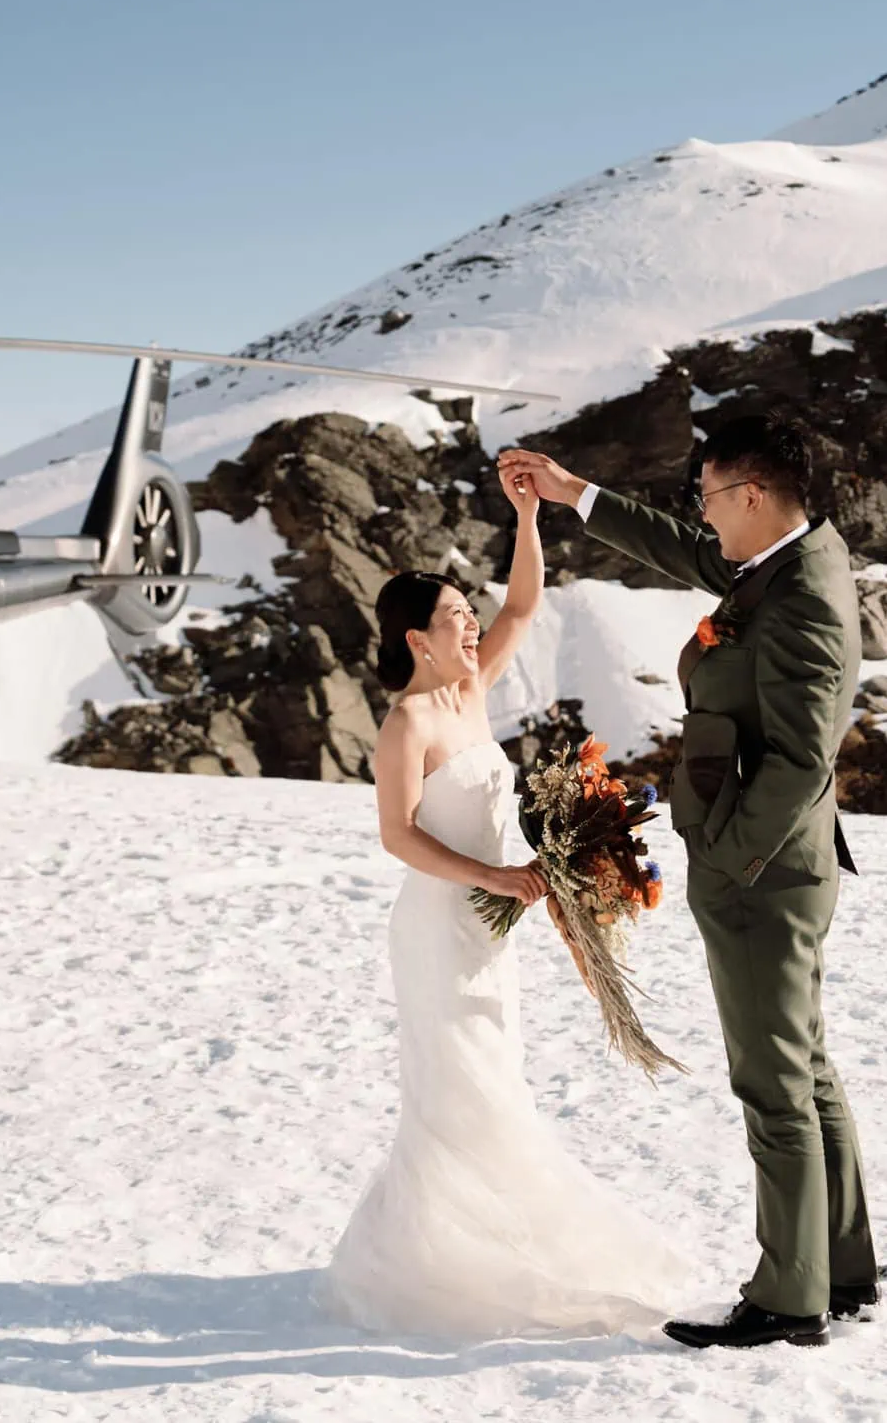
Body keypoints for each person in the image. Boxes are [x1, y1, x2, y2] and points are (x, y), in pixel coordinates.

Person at [499, 416, 879, 1351]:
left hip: (764, 871)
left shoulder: (803, 602)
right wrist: (572, 491)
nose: (699, 515)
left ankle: (791, 1298)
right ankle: (840, 1264)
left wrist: (725, 858)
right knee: (804, 1062)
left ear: (752, 494)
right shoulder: (784, 560)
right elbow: (683, 553)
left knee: (773, 1081)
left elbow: (802, 760)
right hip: (774, 864)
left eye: (708, 496)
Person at [320, 457, 692, 1338]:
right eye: (455, 619)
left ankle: (473, 1238)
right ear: (416, 638)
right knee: (459, 1094)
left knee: (495, 1078)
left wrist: (526, 517)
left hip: (490, 933)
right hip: (439, 930)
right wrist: (496, 877)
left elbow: (524, 605)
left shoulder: (473, 693)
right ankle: (437, 1261)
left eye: (468, 615)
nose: (474, 627)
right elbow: (398, 834)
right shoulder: (407, 723)